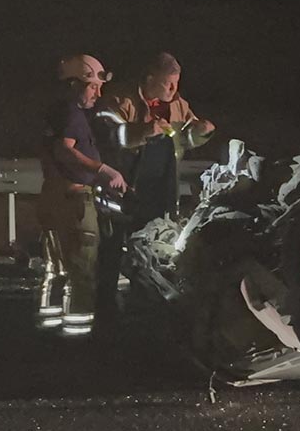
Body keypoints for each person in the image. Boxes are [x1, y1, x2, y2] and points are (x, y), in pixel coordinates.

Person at [92, 51, 215, 318]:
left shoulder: (178, 104)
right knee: (112, 248)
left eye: (177, 84)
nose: (174, 90)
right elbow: (108, 136)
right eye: (168, 83)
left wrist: (201, 132)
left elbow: (186, 139)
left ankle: (144, 305)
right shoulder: (120, 100)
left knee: (150, 249)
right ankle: (104, 308)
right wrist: (143, 131)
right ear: (149, 78)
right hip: (121, 191)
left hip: (159, 193)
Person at [36, 54, 127, 338]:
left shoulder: (55, 112)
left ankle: (49, 328)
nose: (98, 92)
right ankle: (79, 335)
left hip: (52, 199)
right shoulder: (72, 113)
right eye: (91, 86)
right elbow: (65, 150)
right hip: (74, 203)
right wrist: (103, 170)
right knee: (82, 273)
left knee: (57, 270)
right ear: (74, 84)